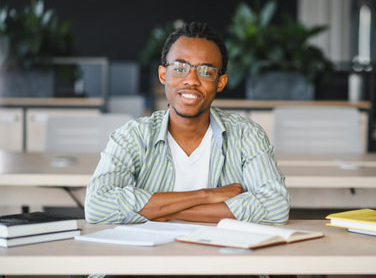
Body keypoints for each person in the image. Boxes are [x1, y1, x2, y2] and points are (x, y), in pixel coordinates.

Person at [84, 21, 290, 225]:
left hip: (222, 256)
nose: (191, 80)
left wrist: (163, 212)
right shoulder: (132, 136)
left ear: (221, 82)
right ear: (163, 74)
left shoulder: (246, 134)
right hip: (150, 256)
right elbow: (97, 205)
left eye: (206, 72)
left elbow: (276, 206)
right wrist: (206, 195)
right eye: (180, 68)